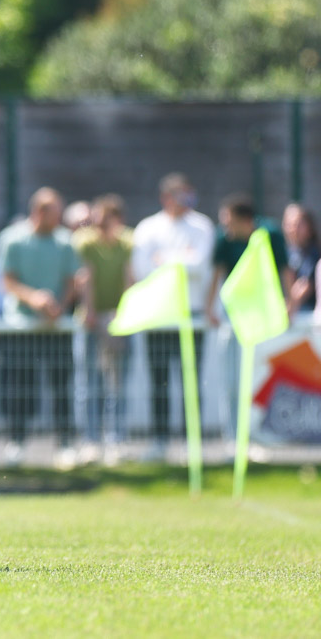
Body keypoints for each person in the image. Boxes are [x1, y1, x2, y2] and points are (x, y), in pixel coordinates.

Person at [130, 172, 214, 460]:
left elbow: (200, 265)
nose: (185, 201)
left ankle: (195, 443)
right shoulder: (148, 228)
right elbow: (142, 269)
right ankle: (160, 441)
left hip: (190, 315)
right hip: (159, 316)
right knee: (160, 381)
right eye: (179, 195)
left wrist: (164, 259)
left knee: (192, 381)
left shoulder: (201, 226)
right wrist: (181, 258)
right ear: (165, 197)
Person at [0, 187, 80, 468]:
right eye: (55, 212)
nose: (60, 217)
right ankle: (16, 442)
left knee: (61, 387)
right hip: (21, 328)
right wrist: (34, 299)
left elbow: (72, 281)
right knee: (20, 387)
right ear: (40, 211)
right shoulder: (12, 239)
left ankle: (65, 445)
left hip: (56, 329)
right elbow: (7, 281)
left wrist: (58, 306)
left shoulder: (66, 242)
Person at [206, 195, 291, 440]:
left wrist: (290, 303)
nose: (226, 227)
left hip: (266, 318)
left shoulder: (271, 233)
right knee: (232, 379)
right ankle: (233, 436)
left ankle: (263, 433)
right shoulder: (224, 239)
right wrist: (210, 308)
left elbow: (284, 269)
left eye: (229, 221)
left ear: (245, 220)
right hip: (234, 319)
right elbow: (217, 273)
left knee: (263, 375)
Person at [71, 194, 133, 465]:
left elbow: (129, 278)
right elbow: (86, 277)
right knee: (90, 383)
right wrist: (90, 311)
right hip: (92, 323)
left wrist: (126, 313)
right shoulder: (85, 242)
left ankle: (116, 440)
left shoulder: (127, 244)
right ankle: (90, 441)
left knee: (117, 386)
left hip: (119, 321)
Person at [282, 203, 320, 316]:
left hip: (306, 314)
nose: (292, 229)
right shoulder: (285, 252)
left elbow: (304, 286)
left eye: (298, 224)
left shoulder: (314, 254)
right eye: (289, 224)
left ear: (309, 227)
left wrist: (288, 307)